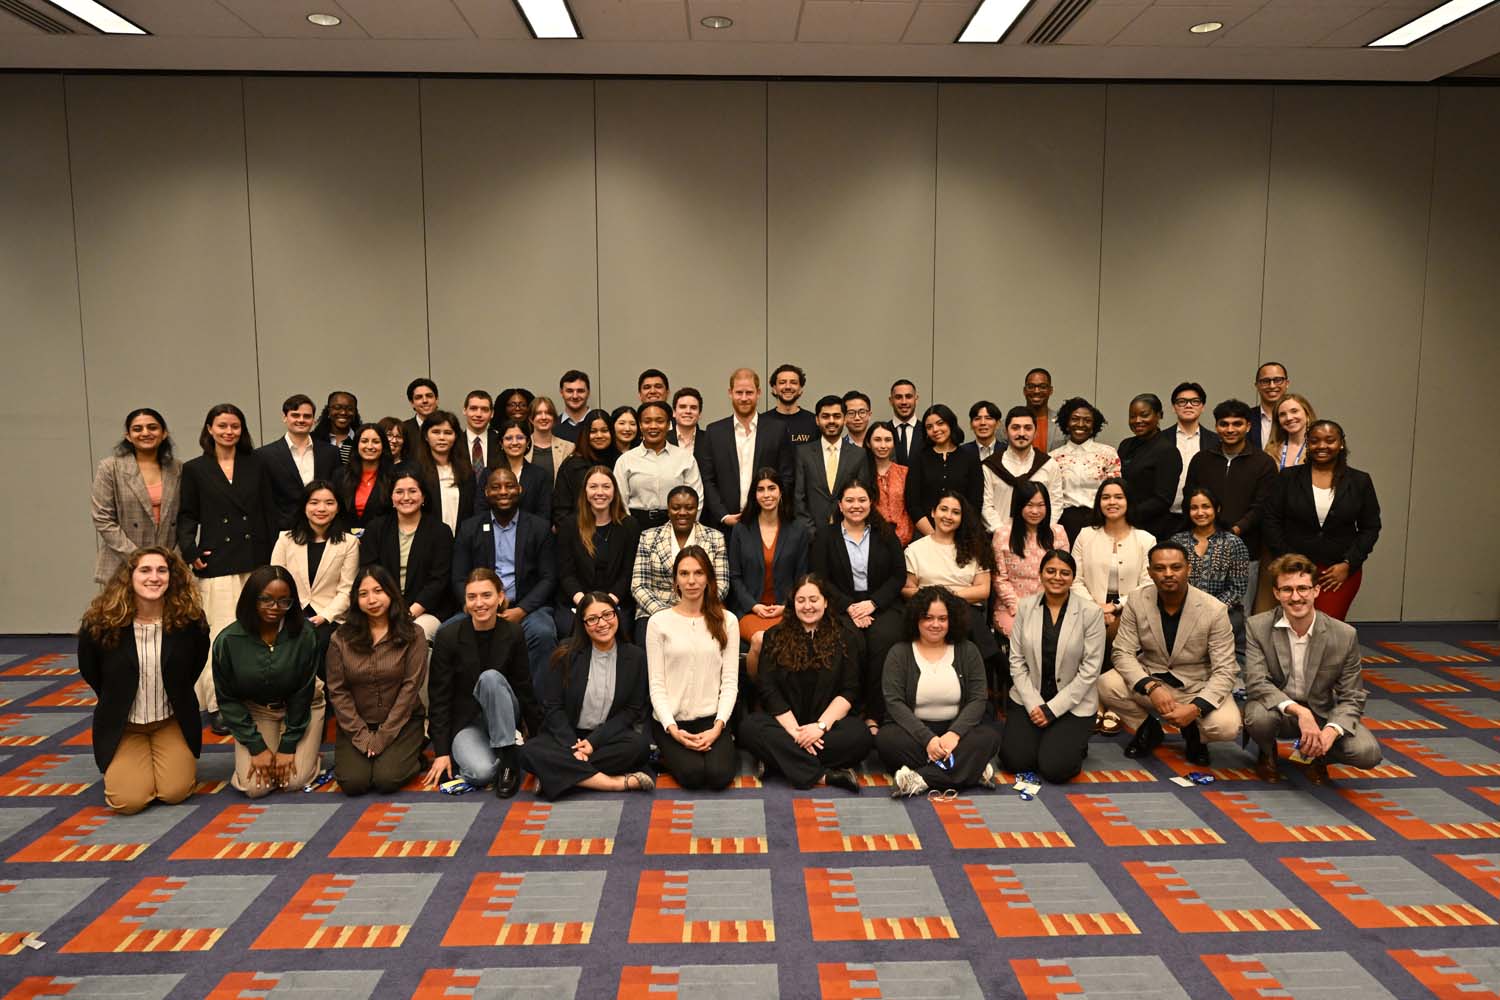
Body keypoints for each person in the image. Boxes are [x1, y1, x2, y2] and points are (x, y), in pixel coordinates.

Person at [77, 546, 209, 814]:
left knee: (175, 792)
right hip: (125, 726)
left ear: (172, 577)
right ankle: (134, 763)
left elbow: (194, 666)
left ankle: (160, 759)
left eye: (162, 570)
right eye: (145, 570)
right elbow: (91, 671)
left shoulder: (190, 621)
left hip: (169, 722)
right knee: (128, 802)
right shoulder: (101, 623)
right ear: (130, 576)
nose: (154, 577)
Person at [1098, 542, 1241, 766]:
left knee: (1226, 726)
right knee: (1106, 684)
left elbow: (1226, 670)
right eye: (1160, 568)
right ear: (1150, 572)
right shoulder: (1137, 600)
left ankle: (1194, 735)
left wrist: (1195, 708)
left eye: (1176, 567)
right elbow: (1122, 652)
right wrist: (1150, 686)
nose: (1168, 574)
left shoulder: (1214, 610)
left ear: (1189, 569)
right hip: (1152, 679)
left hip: (1196, 685)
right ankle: (1148, 729)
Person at [1242, 553, 1381, 784]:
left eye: (1303, 589)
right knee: (1257, 717)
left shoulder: (1344, 634)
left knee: (1367, 752)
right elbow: (1257, 682)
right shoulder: (1258, 626)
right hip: (1280, 711)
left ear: (1316, 591)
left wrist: (1332, 730)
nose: (1296, 597)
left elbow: (1352, 696)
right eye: (1287, 590)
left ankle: (1319, 756)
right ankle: (1267, 753)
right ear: (1276, 594)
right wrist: (1299, 711)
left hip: (1322, 713)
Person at [178, 403, 275, 725]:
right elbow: (187, 515)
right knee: (220, 635)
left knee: (259, 633)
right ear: (209, 429)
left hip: (256, 560)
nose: (228, 431)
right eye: (222, 426)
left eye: (234, 426)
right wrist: (190, 551)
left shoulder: (257, 463)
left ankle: (258, 696)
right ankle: (221, 704)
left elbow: (267, 511)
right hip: (217, 561)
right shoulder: (194, 469)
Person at [737, 576, 871, 792]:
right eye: (801, 600)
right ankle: (825, 776)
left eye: (813, 599)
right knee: (749, 728)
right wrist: (795, 732)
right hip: (787, 726)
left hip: (827, 728)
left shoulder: (847, 636)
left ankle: (780, 762)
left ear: (826, 602)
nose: (807, 606)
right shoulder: (775, 636)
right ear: (793, 604)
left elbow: (849, 690)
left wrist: (819, 728)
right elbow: (768, 690)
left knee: (861, 736)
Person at [521, 592, 655, 799]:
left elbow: (632, 711)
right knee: (530, 751)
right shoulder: (564, 654)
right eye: (592, 619)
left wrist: (592, 743)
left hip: (606, 738)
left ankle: (554, 775)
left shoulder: (635, 657)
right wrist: (573, 747)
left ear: (617, 616)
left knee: (639, 748)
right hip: (567, 735)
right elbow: (553, 707)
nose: (602, 623)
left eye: (607, 615)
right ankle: (613, 783)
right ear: (583, 624)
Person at [424, 568, 543, 798]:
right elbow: (439, 697)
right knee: (481, 773)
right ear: (465, 602)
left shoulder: (514, 632)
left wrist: (539, 741)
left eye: (486, 595)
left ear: (500, 597)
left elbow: (524, 688)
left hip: (504, 713)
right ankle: (507, 750)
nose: (479, 603)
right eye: (472, 597)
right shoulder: (448, 636)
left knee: (490, 678)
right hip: (467, 722)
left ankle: (508, 759)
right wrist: (441, 752)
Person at [878, 586, 1002, 797]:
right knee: (886, 740)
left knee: (990, 736)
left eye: (942, 618)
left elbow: (978, 699)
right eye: (928, 618)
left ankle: (920, 779)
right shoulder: (899, 653)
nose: (935, 624)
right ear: (916, 620)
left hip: (959, 731)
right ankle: (971, 770)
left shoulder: (968, 650)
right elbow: (894, 703)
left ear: (951, 620)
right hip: (914, 733)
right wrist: (929, 740)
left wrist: (954, 734)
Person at [212, 567, 325, 797]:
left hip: (303, 707)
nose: (275, 608)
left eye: (284, 602)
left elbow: (303, 692)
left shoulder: (306, 635)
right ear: (251, 598)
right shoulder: (228, 640)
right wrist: (256, 746)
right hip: (258, 710)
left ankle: (309, 754)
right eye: (266, 600)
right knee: (255, 789)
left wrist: (288, 745)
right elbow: (227, 699)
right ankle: (252, 757)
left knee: (292, 781)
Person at [811, 480, 906, 733]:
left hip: (881, 603)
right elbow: (821, 578)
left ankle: (876, 714)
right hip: (841, 605)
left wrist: (872, 604)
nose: (856, 506)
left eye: (862, 500)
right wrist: (851, 607)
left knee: (883, 640)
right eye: (850, 501)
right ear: (840, 505)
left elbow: (899, 576)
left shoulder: (885, 533)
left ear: (870, 503)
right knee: (850, 640)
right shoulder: (825, 536)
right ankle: (848, 713)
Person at [1002, 549, 1105, 783]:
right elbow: (1016, 662)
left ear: (1072, 578)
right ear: (1040, 574)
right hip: (1030, 698)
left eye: (1064, 573)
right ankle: (1046, 737)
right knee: (1014, 761)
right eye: (1050, 571)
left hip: (1072, 703)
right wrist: (1035, 704)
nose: (1057, 577)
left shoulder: (1091, 613)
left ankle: (1071, 742)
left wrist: (1052, 709)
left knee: (1055, 769)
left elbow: (1090, 671)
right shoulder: (1026, 607)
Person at [1263, 420, 1380, 621]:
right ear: (1308, 444)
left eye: (1330, 440)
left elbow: (1370, 527)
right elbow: (1271, 519)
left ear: (1341, 443)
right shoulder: (1288, 477)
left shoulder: (1360, 481)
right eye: (1315, 441)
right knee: (1295, 625)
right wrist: (1288, 560)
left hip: (1337, 573)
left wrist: (1349, 564)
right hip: (1294, 569)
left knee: (1328, 627)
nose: (1322, 446)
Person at [325, 566, 428, 795]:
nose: (372, 600)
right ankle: (377, 755)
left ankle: (415, 754)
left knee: (387, 780)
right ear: (355, 600)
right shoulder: (340, 638)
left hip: (402, 723)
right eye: (363, 594)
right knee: (353, 783)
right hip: (356, 723)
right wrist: (361, 736)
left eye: (378, 591)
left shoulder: (413, 634)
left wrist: (383, 736)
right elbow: (338, 691)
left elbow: (410, 690)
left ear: (390, 592)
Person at [451, 466, 558, 683]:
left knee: (544, 633)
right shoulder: (470, 528)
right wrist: (476, 605)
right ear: (486, 492)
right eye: (496, 487)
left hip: (526, 608)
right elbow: (459, 577)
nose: (503, 491)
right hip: (479, 607)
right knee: (446, 633)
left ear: (520, 489)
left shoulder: (539, 528)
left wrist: (522, 610)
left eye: (509, 486)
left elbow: (548, 578)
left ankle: (537, 708)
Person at [647, 546, 740, 790]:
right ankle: (664, 752)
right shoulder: (658, 622)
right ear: (675, 580)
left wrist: (718, 727)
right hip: (672, 721)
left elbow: (730, 683)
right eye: (684, 573)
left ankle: (724, 743)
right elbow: (656, 685)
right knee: (693, 777)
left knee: (719, 777)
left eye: (698, 573)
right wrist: (672, 729)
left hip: (711, 719)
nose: (691, 581)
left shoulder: (728, 621)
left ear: (709, 578)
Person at [270, 480, 360, 675]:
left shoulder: (349, 543)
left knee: (320, 642)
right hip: (290, 613)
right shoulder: (285, 540)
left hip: (330, 617)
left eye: (329, 503)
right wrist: (290, 613)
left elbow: (347, 590)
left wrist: (324, 617)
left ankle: (323, 701)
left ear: (337, 508)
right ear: (304, 506)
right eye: (314, 502)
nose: (321, 508)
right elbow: (275, 583)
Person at [902, 490, 1000, 663]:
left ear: (962, 518)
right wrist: (935, 600)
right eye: (943, 509)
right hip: (926, 609)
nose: (948, 516)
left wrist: (947, 597)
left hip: (965, 608)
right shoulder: (915, 549)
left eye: (955, 512)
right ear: (933, 512)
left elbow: (983, 590)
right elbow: (907, 590)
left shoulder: (975, 548)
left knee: (968, 620)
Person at [728, 468, 811, 668]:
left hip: (787, 610)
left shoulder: (798, 529)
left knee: (784, 643)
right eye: (761, 489)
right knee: (760, 640)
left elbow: (802, 576)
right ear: (754, 495)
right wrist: (753, 605)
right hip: (751, 611)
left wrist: (786, 605)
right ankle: (759, 697)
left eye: (772, 488)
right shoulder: (741, 529)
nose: (767, 495)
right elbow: (735, 576)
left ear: (781, 492)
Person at [1184, 399, 1278, 574]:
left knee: (1239, 601)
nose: (1230, 429)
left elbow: (1262, 506)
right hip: (1202, 546)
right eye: (1224, 424)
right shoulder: (1201, 460)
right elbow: (1189, 497)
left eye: (1237, 424)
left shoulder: (1263, 463)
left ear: (1248, 426)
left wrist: (1233, 532)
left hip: (1245, 549)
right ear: (1216, 426)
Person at [358, 470, 454, 640]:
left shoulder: (440, 531)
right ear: (391, 498)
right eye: (399, 492)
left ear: (423, 497)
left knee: (414, 633)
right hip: (381, 607)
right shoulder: (376, 529)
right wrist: (387, 611)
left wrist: (409, 614)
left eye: (413, 491)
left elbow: (438, 580)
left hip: (425, 610)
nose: (406, 497)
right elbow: (369, 573)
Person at [91, 407, 182, 585]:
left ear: (164, 433)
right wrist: (138, 558)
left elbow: (186, 517)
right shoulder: (111, 468)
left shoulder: (178, 468)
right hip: (122, 563)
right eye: (137, 429)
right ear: (128, 435)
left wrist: (171, 558)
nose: (145, 433)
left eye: (152, 427)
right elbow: (102, 518)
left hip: (167, 564)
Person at [698, 368, 794, 531]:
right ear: (730, 393)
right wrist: (723, 515)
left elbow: (786, 476)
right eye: (739, 392)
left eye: (749, 392)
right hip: (725, 524)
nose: (744, 398)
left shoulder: (777, 430)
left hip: (767, 522)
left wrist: (770, 511)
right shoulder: (714, 432)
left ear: (758, 392)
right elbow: (708, 479)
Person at [631, 486, 728, 644]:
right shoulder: (648, 537)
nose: (682, 512)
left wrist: (697, 609)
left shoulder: (715, 538)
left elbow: (721, 584)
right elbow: (638, 585)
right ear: (668, 510)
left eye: (689, 508)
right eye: (676, 508)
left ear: (697, 509)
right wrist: (668, 614)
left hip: (702, 609)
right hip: (654, 611)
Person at [1071, 478, 1156, 647]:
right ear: (1098, 502)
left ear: (1128, 501)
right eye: (1105, 497)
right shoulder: (1085, 536)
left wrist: (1115, 606)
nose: (1112, 502)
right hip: (1088, 608)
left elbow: (1148, 584)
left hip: (1132, 611)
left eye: (1118, 497)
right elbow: (1074, 579)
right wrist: (1097, 609)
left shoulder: (1146, 539)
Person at [557, 466, 640, 635]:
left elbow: (627, 574)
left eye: (606, 486)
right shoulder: (569, 525)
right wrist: (586, 603)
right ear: (585, 491)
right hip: (577, 600)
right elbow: (566, 574)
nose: (600, 492)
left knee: (620, 627)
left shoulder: (629, 526)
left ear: (615, 491)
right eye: (593, 486)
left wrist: (606, 605)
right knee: (570, 629)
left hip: (617, 601)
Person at [1169, 486, 1250, 653]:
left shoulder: (1233, 543)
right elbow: (1170, 581)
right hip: (1181, 612)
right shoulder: (1177, 542)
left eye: (1205, 506)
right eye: (1194, 508)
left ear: (1217, 509)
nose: (1200, 512)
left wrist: (1208, 611)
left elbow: (1237, 588)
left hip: (1223, 614)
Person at [992, 483, 1071, 638]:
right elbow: (999, 579)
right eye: (1029, 505)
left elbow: (1064, 575)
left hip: (1052, 604)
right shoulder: (1002, 535)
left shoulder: (1058, 533)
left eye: (1041, 505)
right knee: (1026, 637)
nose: (1035, 511)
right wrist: (1019, 606)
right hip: (1012, 607)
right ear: (1019, 506)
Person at [613, 400, 703, 529]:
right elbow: (619, 501)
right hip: (636, 525)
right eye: (647, 421)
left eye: (660, 421)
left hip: (677, 524)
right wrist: (628, 529)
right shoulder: (626, 460)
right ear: (640, 425)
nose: (653, 426)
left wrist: (687, 528)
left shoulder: (685, 458)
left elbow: (696, 497)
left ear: (668, 425)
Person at [259, 394, 342, 532]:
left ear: (314, 420)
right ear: (285, 417)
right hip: (284, 531)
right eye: (295, 415)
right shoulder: (265, 455)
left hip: (325, 530)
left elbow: (337, 492)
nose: (301, 420)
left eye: (307, 416)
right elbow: (265, 501)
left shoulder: (330, 453)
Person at [1049, 397, 1121, 543]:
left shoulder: (1108, 454)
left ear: (1094, 425)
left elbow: (1115, 492)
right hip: (1065, 521)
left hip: (1099, 519)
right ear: (1066, 423)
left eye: (1087, 420)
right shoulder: (1053, 458)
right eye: (1075, 419)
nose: (1081, 424)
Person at [794, 394, 870, 532]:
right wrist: (811, 532)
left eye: (836, 416)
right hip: (811, 535)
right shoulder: (803, 453)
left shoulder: (859, 455)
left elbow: (863, 496)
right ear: (817, 420)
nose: (831, 421)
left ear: (845, 419)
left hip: (848, 533)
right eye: (825, 416)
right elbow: (798, 498)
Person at [904, 404, 983, 537]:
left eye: (940, 423)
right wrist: (934, 536)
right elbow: (913, 503)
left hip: (963, 534)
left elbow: (975, 502)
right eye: (929, 427)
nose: (935, 429)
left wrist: (958, 533)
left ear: (951, 424)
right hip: (926, 534)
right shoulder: (919, 458)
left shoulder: (970, 457)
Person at [980, 406, 1061, 534]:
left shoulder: (1049, 465)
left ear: (1035, 432)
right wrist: (1001, 532)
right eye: (1015, 428)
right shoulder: (990, 466)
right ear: (1006, 432)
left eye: (1028, 428)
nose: (1022, 434)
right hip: (999, 539)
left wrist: (1043, 531)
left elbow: (1056, 503)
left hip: (1039, 539)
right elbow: (985, 505)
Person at [1117, 394, 1182, 541]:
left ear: (1159, 415)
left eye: (1144, 415)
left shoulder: (1167, 450)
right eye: (1132, 416)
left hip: (1150, 529)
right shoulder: (1125, 445)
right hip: (1120, 525)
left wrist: (1127, 513)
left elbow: (1163, 499)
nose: (1137, 420)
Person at [552, 408, 617, 530]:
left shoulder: (620, 461)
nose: (599, 436)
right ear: (585, 434)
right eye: (593, 431)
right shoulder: (572, 465)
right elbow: (561, 511)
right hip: (578, 535)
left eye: (604, 431)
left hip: (613, 534)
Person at [1167, 381, 1219, 528]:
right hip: (1165, 516)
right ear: (1174, 407)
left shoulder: (1216, 441)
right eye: (1182, 402)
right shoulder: (1160, 440)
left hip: (1202, 517)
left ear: (1202, 407)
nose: (1188, 405)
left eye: (1195, 401)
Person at [416, 409, 476, 534]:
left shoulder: (466, 471)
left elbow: (471, 511)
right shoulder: (416, 470)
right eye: (436, 432)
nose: (442, 437)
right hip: (427, 540)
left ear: (455, 437)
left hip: (460, 539)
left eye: (448, 433)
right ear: (426, 436)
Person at [333, 423, 396, 529]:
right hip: (345, 540)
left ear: (383, 446)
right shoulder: (340, 475)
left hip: (381, 539)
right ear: (357, 444)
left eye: (376, 442)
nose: (370, 446)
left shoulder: (394, 476)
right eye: (364, 441)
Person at [864, 423, 914, 544]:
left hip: (905, 540)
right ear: (868, 443)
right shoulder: (862, 473)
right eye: (877, 440)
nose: (883, 445)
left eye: (888, 440)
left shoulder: (905, 472)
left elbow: (912, 507)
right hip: (872, 541)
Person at [496, 418, 553, 520]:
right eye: (508, 438)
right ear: (501, 443)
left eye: (520, 437)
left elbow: (544, 514)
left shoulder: (541, 476)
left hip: (531, 533)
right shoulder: (489, 473)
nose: (514, 442)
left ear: (527, 442)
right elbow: (481, 510)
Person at [763, 362, 817, 448]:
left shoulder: (814, 422)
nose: (788, 386)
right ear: (774, 389)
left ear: (800, 389)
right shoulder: (762, 422)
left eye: (793, 382)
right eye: (782, 382)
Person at [526, 396, 575, 483]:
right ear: (531, 418)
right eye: (538, 413)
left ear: (554, 418)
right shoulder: (522, 446)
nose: (544, 417)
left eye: (548, 413)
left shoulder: (569, 448)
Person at [461, 390, 503, 490]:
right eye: (473, 408)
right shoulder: (454, 442)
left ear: (492, 413)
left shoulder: (501, 442)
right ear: (464, 410)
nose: (478, 414)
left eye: (484, 409)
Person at [1265, 393, 1318, 471]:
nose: (1289, 418)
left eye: (1294, 411)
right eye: (1282, 414)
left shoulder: (1319, 448)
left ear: (1307, 415)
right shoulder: (1270, 451)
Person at [1248, 362, 1290, 451]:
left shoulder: (1298, 419)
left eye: (1278, 380)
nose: (1272, 386)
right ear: (1257, 385)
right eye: (1265, 381)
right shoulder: (1246, 417)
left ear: (1287, 383)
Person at [313, 391, 361, 465]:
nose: (343, 412)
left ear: (355, 412)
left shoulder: (362, 440)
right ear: (329, 411)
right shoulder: (314, 439)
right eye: (337, 408)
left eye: (350, 409)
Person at [401, 377, 440, 464]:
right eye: (419, 397)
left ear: (436, 399)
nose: (425, 400)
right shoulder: (403, 429)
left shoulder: (449, 428)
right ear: (412, 403)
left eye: (429, 396)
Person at [887, 379, 922, 465]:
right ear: (891, 401)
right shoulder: (882, 431)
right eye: (898, 397)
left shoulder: (927, 432)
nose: (904, 402)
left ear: (916, 399)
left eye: (908, 396)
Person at [1023, 368, 1056, 453]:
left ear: (1051, 390)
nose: (1036, 391)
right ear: (1024, 391)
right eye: (1031, 387)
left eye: (1043, 387)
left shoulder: (1062, 423)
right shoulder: (1008, 424)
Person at [556, 369, 592, 443]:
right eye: (569, 391)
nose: (575, 396)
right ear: (561, 392)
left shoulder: (602, 425)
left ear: (588, 392)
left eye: (580, 391)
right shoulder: (552, 427)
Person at [668, 386, 703, 453]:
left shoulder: (710, 440)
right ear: (674, 412)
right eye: (682, 407)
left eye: (693, 407)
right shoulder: (662, 440)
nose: (688, 411)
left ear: (700, 414)